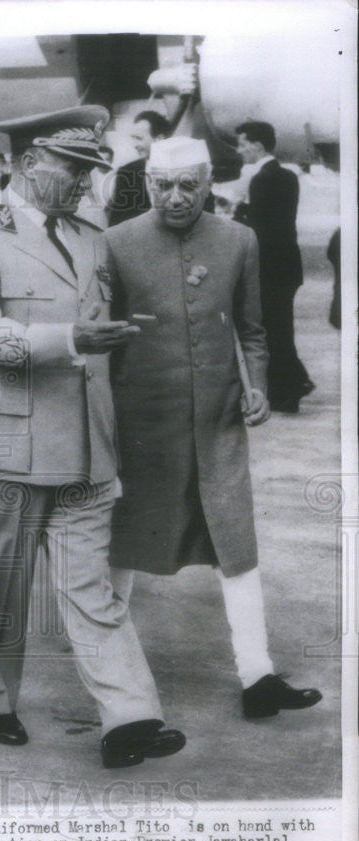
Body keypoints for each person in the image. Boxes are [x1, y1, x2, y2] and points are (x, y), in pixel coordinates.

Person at [0, 105, 185, 768]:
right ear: (26, 162)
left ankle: (130, 717)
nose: (85, 179)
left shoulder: (92, 236)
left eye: (93, 167)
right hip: (1, 440)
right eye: (74, 166)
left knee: (92, 586)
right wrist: (70, 338)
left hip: (85, 443)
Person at [102, 136, 322, 720]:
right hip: (140, 426)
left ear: (208, 183)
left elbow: (251, 329)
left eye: (188, 186)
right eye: (162, 186)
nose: (175, 198)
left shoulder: (239, 240)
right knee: (121, 546)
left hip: (220, 420)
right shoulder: (116, 243)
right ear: (147, 184)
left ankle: (259, 676)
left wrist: (255, 387)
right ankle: (110, 682)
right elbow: (102, 339)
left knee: (236, 545)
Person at [235, 121, 314, 413]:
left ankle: (292, 387)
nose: (240, 150)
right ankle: (293, 385)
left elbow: (257, 227)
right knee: (280, 328)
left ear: (256, 146)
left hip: (269, 268)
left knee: (272, 330)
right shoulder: (288, 176)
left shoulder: (260, 180)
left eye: (242, 144)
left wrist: (238, 213)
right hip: (287, 266)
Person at [106, 110, 170, 227]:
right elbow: (117, 222)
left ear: (159, 139)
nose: (134, 144)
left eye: (139, 138)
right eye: (133, 138)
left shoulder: (184, 169)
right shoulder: (127, 173)